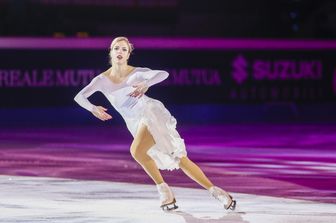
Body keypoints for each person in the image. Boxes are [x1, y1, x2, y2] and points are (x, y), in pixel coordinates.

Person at [74, 36, 237, 211]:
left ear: (128, 54)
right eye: (116, 48)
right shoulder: (102, 80)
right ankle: (218, 193)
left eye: (124, 49)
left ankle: (164, 190)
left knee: (136, 151)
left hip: (150, 113)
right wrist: (92, 108)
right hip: (135, 124)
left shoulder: (136, 73)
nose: (119, 52)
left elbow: (163, 74)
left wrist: (147, 82)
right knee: (179, 159)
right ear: (110, 52)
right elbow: (79, 96)